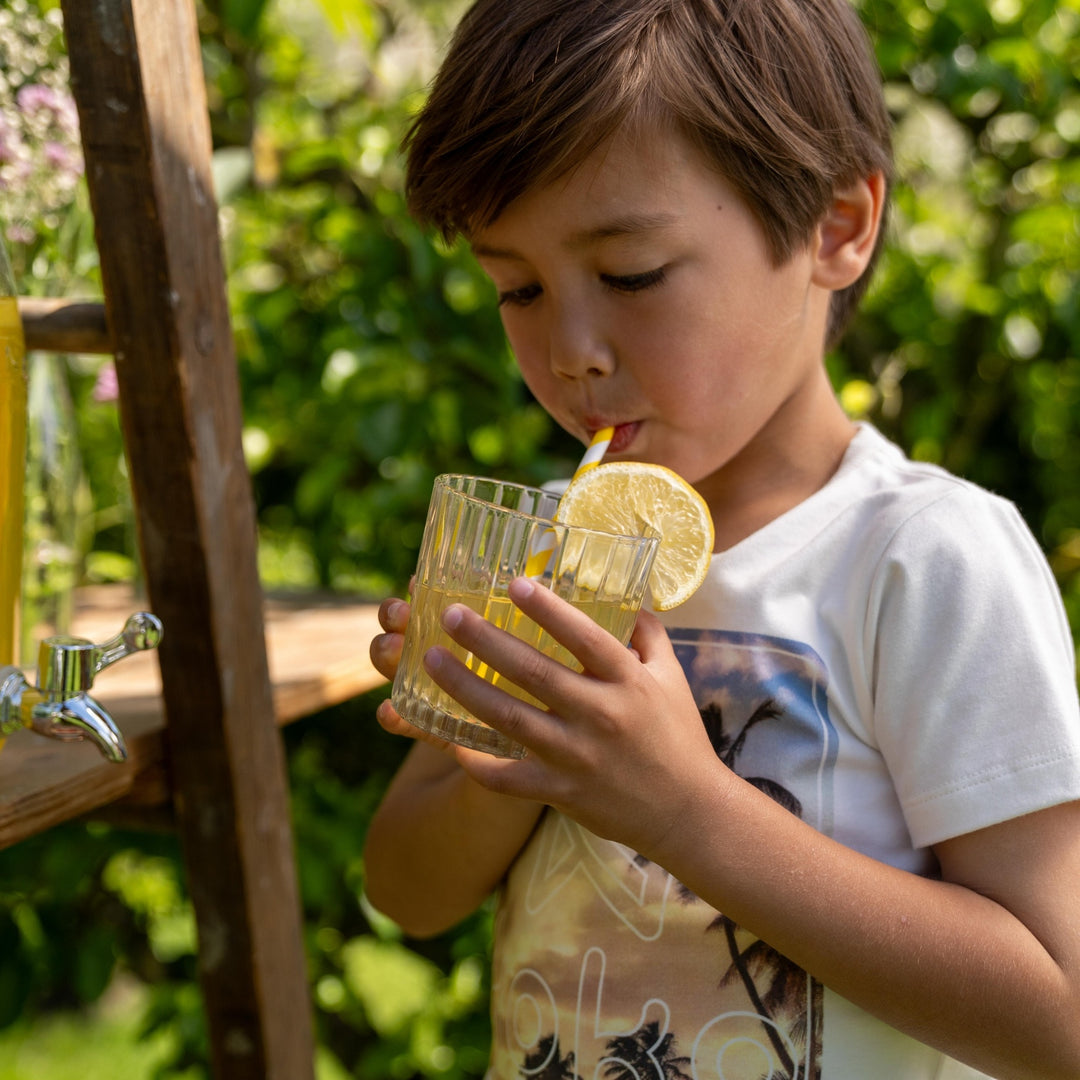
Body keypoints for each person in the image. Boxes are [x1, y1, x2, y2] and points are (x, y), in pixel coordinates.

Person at [363, 1, 1080, 1077]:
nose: (571, 351)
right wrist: (504, 754)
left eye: (632, 275)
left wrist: (686, 813)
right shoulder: (558, 549)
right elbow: (407, 892)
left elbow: (1058, 1015)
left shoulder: (924, 559)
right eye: (517, 285)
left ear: (836, 228)